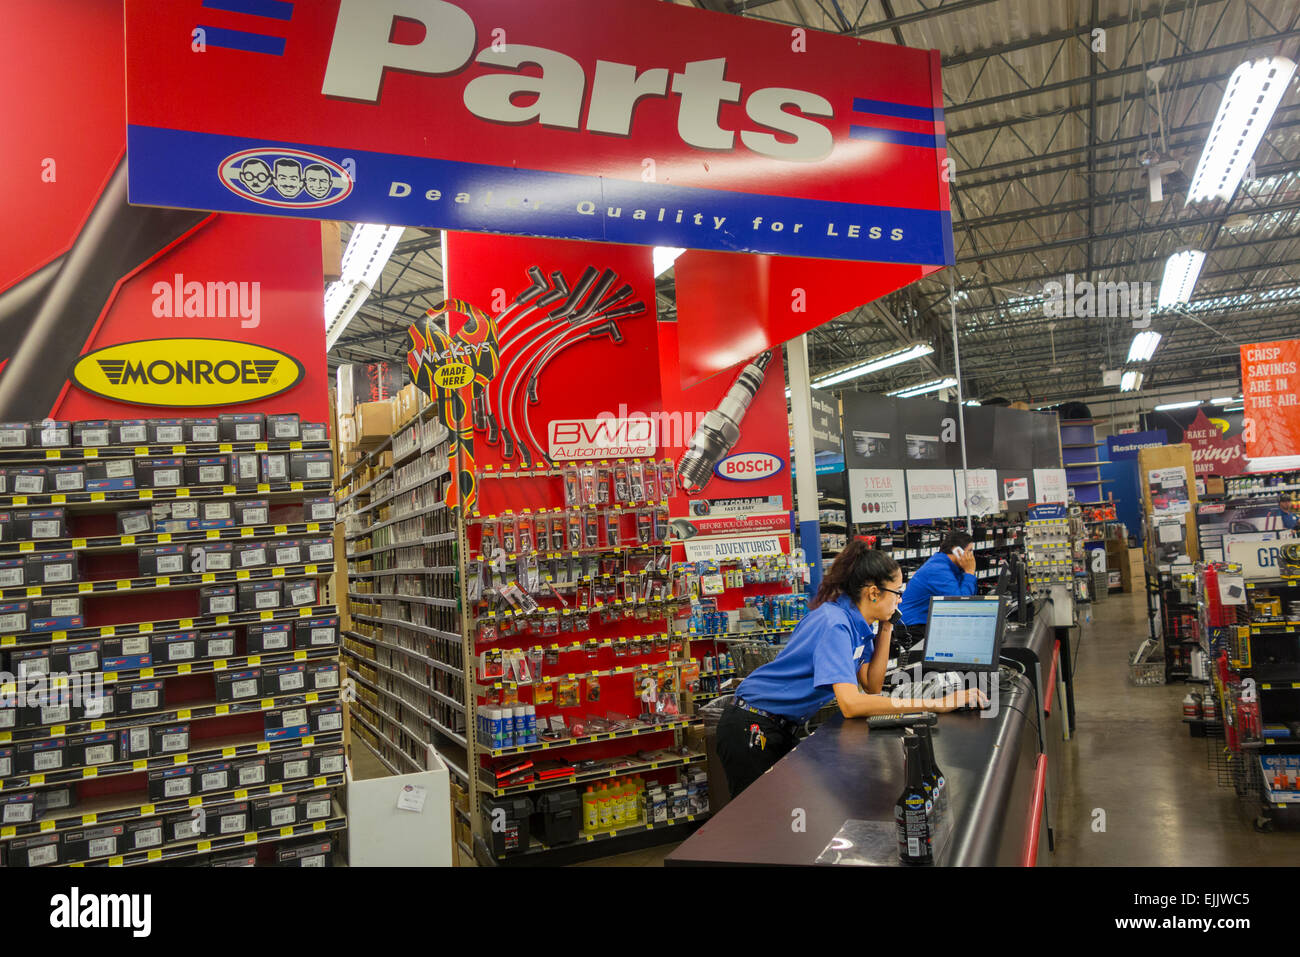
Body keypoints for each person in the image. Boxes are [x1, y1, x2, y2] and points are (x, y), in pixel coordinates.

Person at [715, 540, 985, 798]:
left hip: (780, 726)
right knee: (756, 820)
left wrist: (888, 627)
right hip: (751, 724)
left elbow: (872, 684)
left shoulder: (858, 624)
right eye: (897, 593)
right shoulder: (836, 624)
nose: (900, 600)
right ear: (873, 592)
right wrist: (935, 704)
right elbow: (851, 704)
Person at [897, 531, 979, 637]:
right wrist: (969, 573)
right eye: (970, 551)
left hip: (925, 623)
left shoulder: (950, 566)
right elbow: (961, 605)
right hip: (913, 627)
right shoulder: (938, 570)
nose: (972, 557)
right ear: (958, 551)